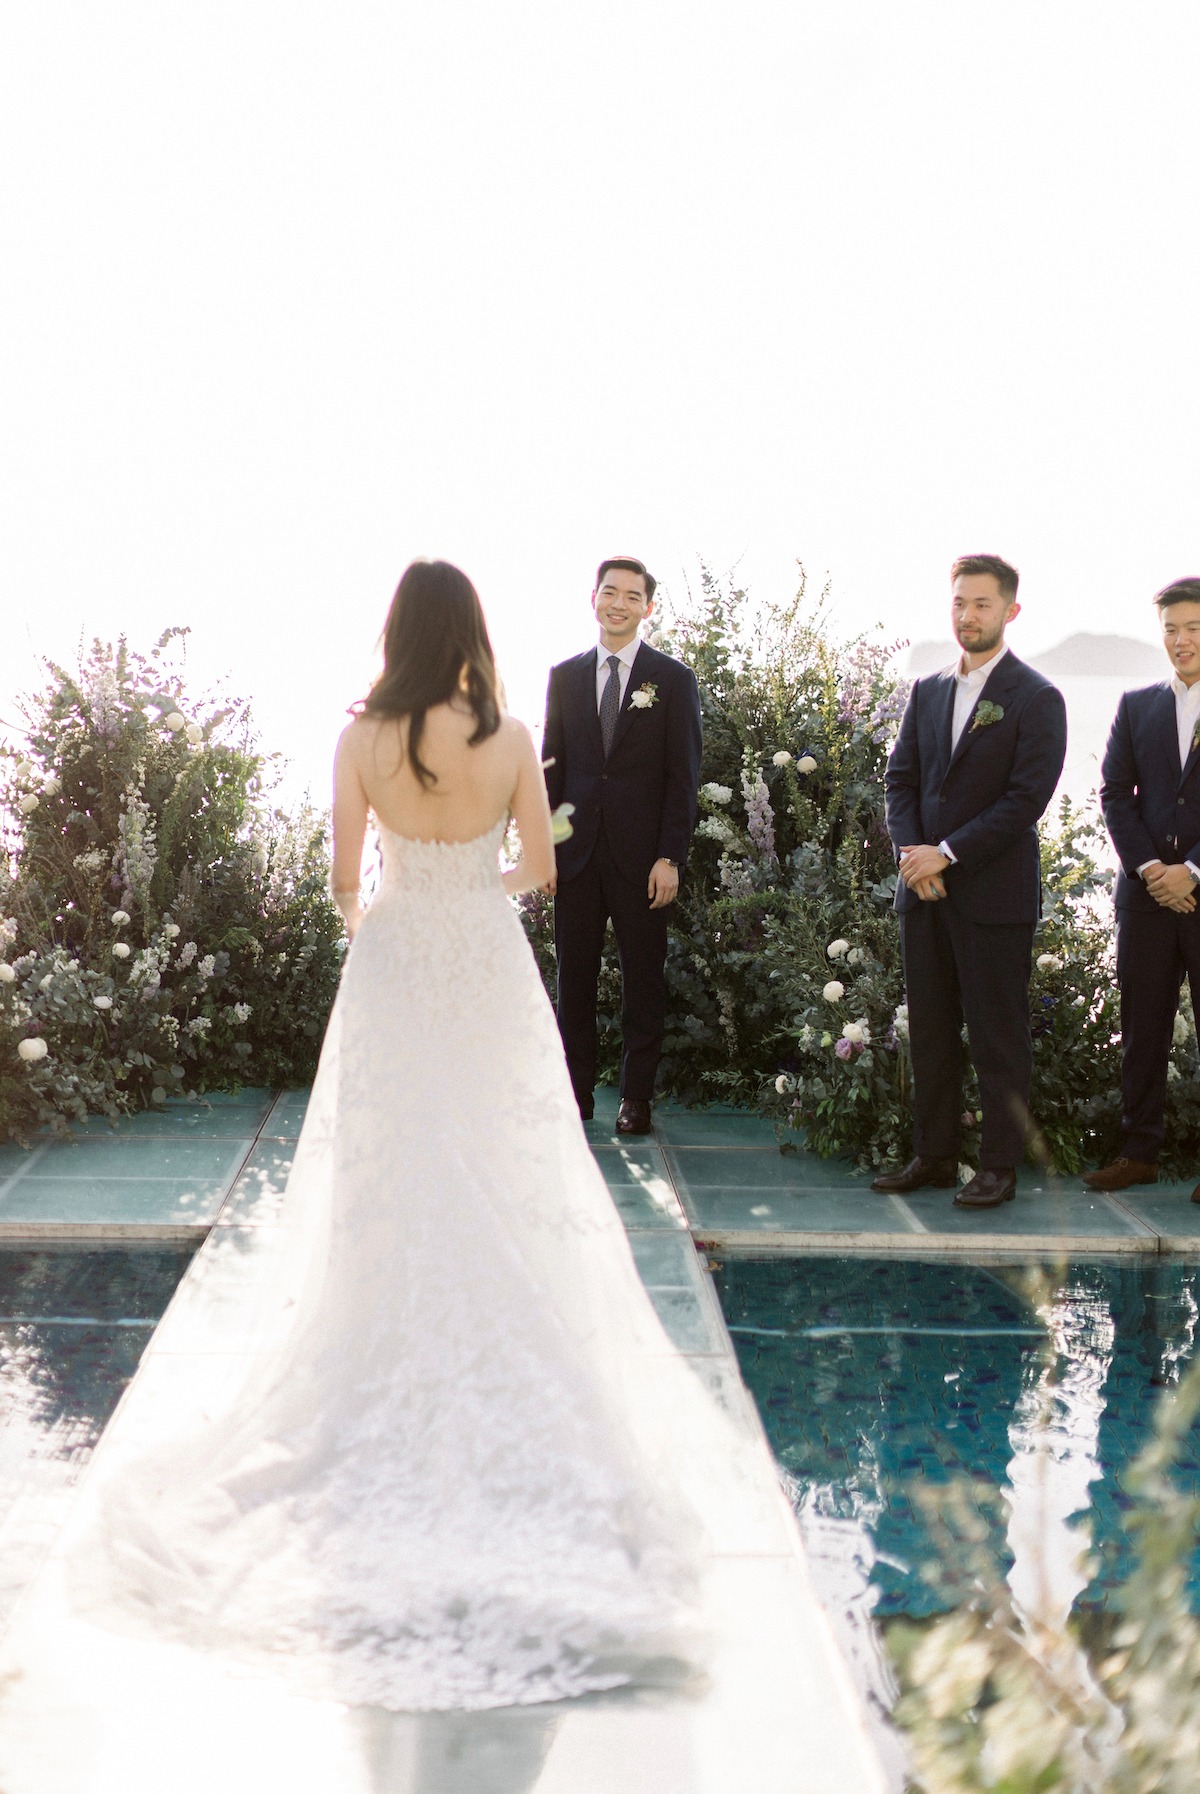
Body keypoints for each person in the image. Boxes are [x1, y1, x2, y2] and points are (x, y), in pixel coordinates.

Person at [66, 561, 749, 1711]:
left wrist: (387, 910)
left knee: (392, 1173)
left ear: (397, 634)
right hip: (484, 957)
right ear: (473, 632)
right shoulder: (514, 731)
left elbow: (343, 878)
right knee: (499, 1162)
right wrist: (473, 888)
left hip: (394, 964)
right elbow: (539, 868)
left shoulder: (363, 739)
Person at [871, 554, 1067, 1210]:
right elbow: (899, 780)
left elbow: (1024, 801)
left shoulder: (1038, 698)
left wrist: (947, 855)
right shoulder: (926, 691)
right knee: (927, 1029)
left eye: (981, 604)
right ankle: (933, 1154)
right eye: (959, 603)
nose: (968, 616)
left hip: (992, 896)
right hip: (921, 893)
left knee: (996, 1035)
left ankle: (999, 1167)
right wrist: (912, 854)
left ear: (1010, 611)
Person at [542, 557, 702, 1135]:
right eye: (610, 592)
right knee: (573, 982)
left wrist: (670, 856)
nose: (618, 603)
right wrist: (546, 851)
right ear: (594, 599)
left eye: (632, 596)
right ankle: (576, 1096)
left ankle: (636, 1099)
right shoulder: (564, 676)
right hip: (576, 858)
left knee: (644, 982)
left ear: (647, 608)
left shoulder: (674, 680)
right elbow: (551, 772)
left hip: (643, 862)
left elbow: (683, 776)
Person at [1088, 576, 1200, 1203]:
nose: (1180, 640)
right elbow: (1114, 795)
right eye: (1171, 629)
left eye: (1192, 627)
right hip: (1147, 897)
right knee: (1142, 1027)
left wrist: (1195, 871)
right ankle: (1138, 1154)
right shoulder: (1137, 705)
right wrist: (1152, 871)